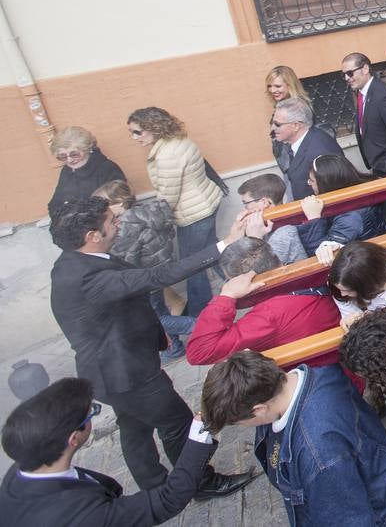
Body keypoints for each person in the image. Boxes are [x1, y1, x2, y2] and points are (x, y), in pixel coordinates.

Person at [49, 199, 253, 497]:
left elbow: (125, 306)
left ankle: (154, 485)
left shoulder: (77, 262)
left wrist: (159, 334)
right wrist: (227, 243)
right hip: (125, 373)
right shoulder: (89, 278)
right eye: (111, 221)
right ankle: (199, 483)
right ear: (92, 235)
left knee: (135, 428)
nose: (118, 223)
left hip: (113, 369)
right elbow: (156, 277)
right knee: (178, 423)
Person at [201, 347, 386, 527]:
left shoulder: (318, 453)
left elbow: (347, 519)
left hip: (377, 512)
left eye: (239, 423)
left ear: (259, 409)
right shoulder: (316, 371)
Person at [0, 377, 220, 526]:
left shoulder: (22, 469)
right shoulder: (85, 515)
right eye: (92, 412)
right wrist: (198, 437)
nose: (93, 414)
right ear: (74, 438)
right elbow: (168, 500)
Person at [126, 106, 223, 319]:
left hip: (193, 215)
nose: (134, 138)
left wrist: (155, 221)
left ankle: (199, 314)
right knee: (215, 253)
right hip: (205, 204)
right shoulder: (180, 141)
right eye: (131, 132)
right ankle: (246, 285)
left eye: (138, 132)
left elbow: (169, 196)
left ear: (154, 127)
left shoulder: (166, 155)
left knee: (192, 265)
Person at [185, 237, 340, 365]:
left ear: (241, 281)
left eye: (229, 280)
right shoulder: (313, 268)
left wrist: (227, 296)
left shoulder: (269, 316)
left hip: (325, 373)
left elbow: (199, 352)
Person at [91, 181, 193, 362]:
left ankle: (200, 326)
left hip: (143, 279)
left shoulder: (124, 228)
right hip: (158, 272)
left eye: (104, 206)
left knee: (154, 318)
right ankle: (173, 348)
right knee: (159, 311)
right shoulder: (147, 213)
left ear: (119, 204)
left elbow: (124, 261)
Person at [341, 52, 386, 229]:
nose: (347, 78)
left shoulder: (382, 95)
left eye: (350, 73)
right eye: (344, 74)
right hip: (380, 168)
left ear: (365, 68)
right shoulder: (363, 93)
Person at [293, 154, 386, 254]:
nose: (310, 184)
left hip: (364, 264)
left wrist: (313, 219)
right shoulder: (357, 196)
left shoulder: (351, 218)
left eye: (312, 181)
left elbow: (323, 256)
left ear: (326, 184)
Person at [324, 240, 386, 327]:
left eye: (347, 290)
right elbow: (344, 252)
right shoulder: (364, 261)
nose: (342, 294)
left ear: (367, 286)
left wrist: (354, 322)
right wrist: (326, 247)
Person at [270, 97, 345, 205]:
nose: (272, 128)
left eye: (277, 124)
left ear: (296, 125)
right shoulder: (305, 141)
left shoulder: (320, 151)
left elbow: (332, 199)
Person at [48, 126, 126, 226]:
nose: (69, 160)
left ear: (87, 150)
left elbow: (116, 206)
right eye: (62, 156)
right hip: (73, 227)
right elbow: (54, 204)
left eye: (74, 154)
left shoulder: (107, 168)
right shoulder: (66, 171)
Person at [264, 65, 311, 169]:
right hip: (289, 162)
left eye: (277, 86)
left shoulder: (297, 107)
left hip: (299, 163)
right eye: (269, 86)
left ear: (290, 85)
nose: (272, 90)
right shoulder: (282, 105)